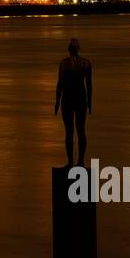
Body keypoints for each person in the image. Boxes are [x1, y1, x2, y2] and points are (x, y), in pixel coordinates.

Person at [54, 38, 93, 167]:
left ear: (68, 49)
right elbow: (89, 85)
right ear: (78, 49)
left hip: (67, 99)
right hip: (81, 99)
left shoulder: (64, 64)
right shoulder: (86, 63)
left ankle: (70, 162)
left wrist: (57, 102)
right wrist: (89, 102)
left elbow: (59, 84)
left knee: (69, 132)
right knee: (81, 131)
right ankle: (81, 161)